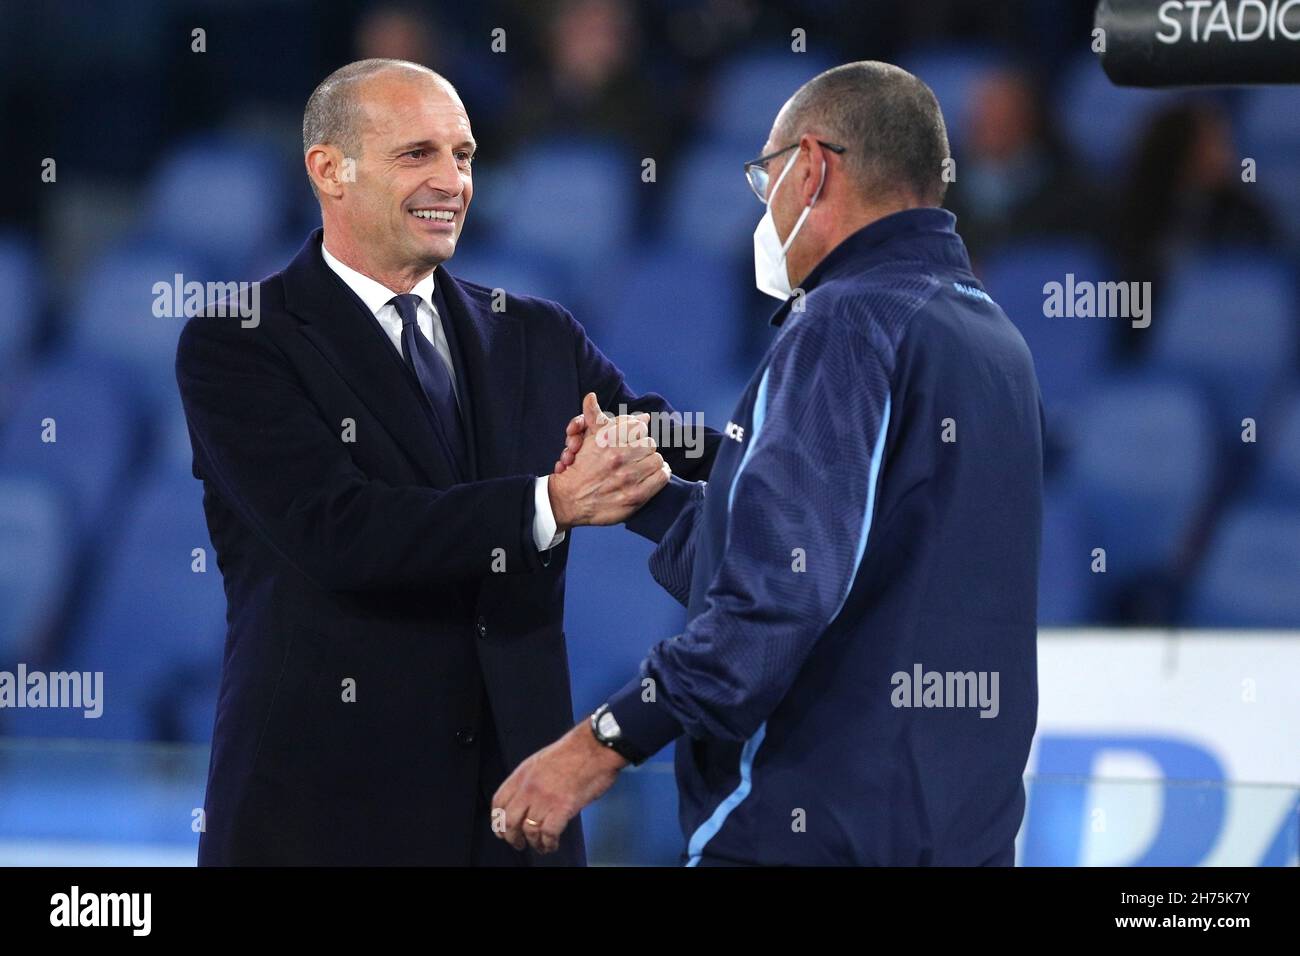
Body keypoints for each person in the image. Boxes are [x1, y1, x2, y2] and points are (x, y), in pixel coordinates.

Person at [494, 61, 1044, 866]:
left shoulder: (845, 322)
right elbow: (836, 557)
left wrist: (597, 745)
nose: (765, 204)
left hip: (808, 825)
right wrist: (653, 497)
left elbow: (774, 603)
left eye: (766, 178)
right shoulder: (992, 336)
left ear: (812, 167)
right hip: (964, 834)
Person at [175, 58, 717, 866]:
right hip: (324, 819)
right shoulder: (241, 340)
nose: (452, 180)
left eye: (463, 155)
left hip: (518, 812)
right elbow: (340, 532)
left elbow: (669, 442)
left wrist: (810, 442)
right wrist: (551, 503)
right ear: (329, 169)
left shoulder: (536, 336)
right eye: (417, 154)